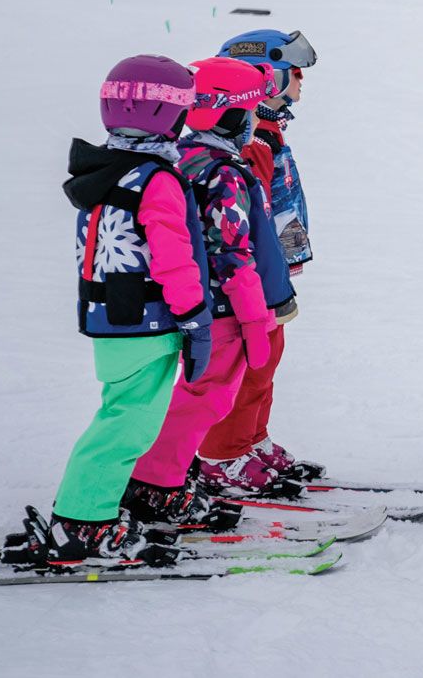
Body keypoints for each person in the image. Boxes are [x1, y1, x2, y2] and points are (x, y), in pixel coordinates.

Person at [25, 56, 212, 562]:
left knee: (121, 413)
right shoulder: (156, 179)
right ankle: (83, 520)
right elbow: (173, 256)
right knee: (128, 423)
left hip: (113, 315)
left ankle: (89, 509)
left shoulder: (106, 169)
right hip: (145, 319)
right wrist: (195, 316)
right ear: (170, 115)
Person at [122, 57, 276, 528]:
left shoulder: (184, 159)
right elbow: (233, 251)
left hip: (188, 301)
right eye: (249, 113)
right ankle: (155, 483)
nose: (254, 124)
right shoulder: (223, 172)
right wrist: (255, 319)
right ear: (229, 116)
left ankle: (163, 473)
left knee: (191, 394)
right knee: (206, 398)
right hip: (222, 307)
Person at [196, 29, 319, 492]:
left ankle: (249, 439)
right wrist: (258, 279)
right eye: (294, 71)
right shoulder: (251, 145)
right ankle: (221, 454)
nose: (302, 80)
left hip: (269, 275)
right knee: (249, 364)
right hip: (249, 279)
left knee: (267, 360)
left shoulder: (267, 134)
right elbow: (246, 221)